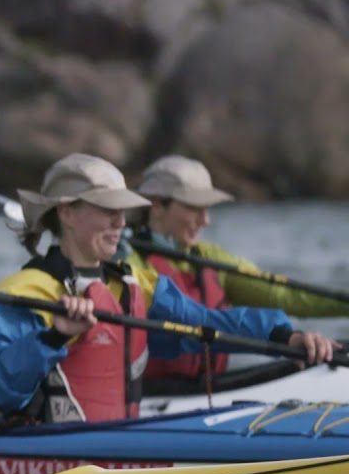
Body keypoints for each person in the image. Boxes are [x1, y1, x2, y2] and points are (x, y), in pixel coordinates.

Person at [0, 153, 338, 427]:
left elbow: (206, 324)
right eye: (107, 209)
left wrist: (287, 335)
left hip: (119, 454)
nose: (120, 222)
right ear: (68, 213)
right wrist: (54, 336)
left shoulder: (136, 283)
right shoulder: (24, 294)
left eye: (122, 211)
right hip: (53, 462)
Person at [127, 155, 349, 380]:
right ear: (156, 206)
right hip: (150, 395)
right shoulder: (128, 262)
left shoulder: (208, 257)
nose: (205, 220)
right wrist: (283, 336)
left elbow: (283, 295)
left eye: (207, 208)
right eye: (194, 207)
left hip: (209, 392)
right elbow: (189, 319)